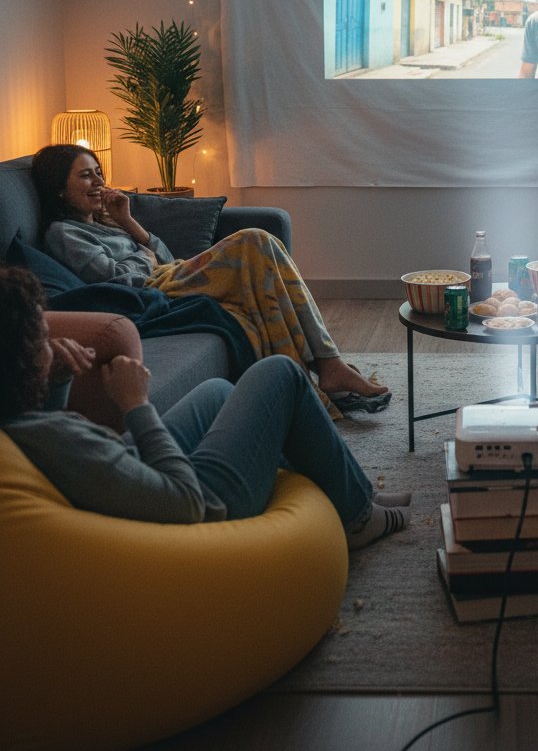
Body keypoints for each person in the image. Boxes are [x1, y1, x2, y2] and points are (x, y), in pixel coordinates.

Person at [0, 265, 410, 548]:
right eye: (40, 337)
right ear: (18, 357)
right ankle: (357, 518)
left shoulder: (19, 423)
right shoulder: (60, 441)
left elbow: (52, 435)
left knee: (216, 390)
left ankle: (351, 491)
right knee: (281, 373)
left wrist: (57, 378)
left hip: (129, 470)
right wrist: (136, 405)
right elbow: (185, 502)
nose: (49, 343)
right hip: (207, 505)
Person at [31, 144, 388, 416]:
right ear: (59, 189)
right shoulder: (63, 234)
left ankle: (325, 367)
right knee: (255, 240)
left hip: (167, 274)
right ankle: (327, 365)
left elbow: (167, 257)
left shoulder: (107, 222)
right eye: (85, 176)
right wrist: (146, 255)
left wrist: (128, 222)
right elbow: (121, 281)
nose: (98, 183)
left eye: (98, 173)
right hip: (152, 291)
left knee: (263, 267)